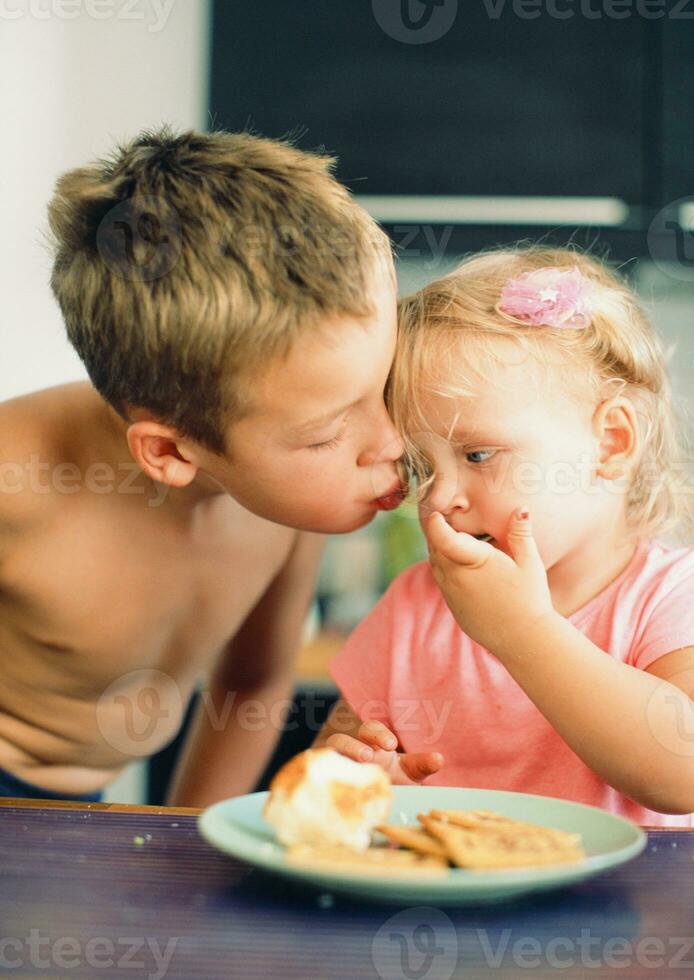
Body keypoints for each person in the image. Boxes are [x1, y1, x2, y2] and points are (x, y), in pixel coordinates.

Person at [0, 127, 405, 807]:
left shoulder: (288, 504)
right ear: (167, 452)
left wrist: (185, 840)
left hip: (86, 807)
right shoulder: (20, 482)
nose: (392, 440)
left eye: (386, 385)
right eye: (329, 433)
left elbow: (250, 686)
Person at [319, 246, 694, 826]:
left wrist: (524, 632)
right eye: (423, 467)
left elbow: (683, 772)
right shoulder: (416, 608)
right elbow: (329, 781)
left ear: (612, 443)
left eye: (479, 454)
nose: (439, 497)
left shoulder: (670, 598)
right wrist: (352, 782)